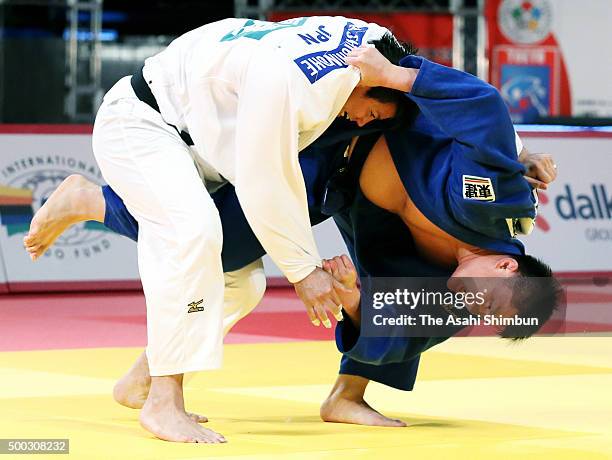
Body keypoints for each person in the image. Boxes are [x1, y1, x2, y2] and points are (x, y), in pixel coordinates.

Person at [25, 45, 561, 429]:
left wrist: (350, 296)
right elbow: (485, 108)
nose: (471, 307)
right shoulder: (503, 203)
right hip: (350, 132)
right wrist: (397, 78)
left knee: (415, 316)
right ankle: (95, 202)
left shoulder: (461, 295)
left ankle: (345, 397)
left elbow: (387, 316)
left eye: (483, 316)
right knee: (220, 241)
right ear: (506, 267)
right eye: (484, 301)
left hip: (343, 192)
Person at [24, 17, 412, 443]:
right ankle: (163, 403)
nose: (360, 122)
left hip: (201, 144)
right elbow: (265, 183)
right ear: (368, 81)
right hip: (143, 122)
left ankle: (141, 381)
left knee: (241, 286)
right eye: (371, 112)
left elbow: (397, 66)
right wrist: (304, 272)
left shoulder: (372, 42)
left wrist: (400, 75)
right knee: (194, 231)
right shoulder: (295, 83)